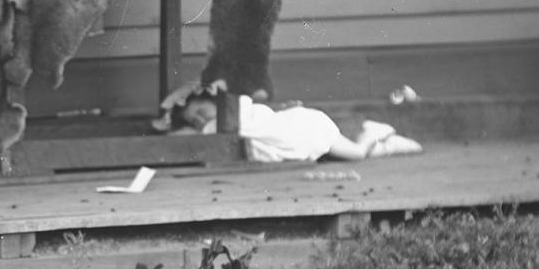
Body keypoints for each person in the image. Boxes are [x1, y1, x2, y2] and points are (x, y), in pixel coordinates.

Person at [154, 81, 421, 162]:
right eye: (194, 120)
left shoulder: (237, 108)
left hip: (303, 127)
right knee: (350, 153)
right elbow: (176, 138)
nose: (200, 119)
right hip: (291, 137)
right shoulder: (213, 131)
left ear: (214, 99)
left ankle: (376, 132)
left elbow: (257, 107)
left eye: (200, 110)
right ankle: (385, 142)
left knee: (356, 154)